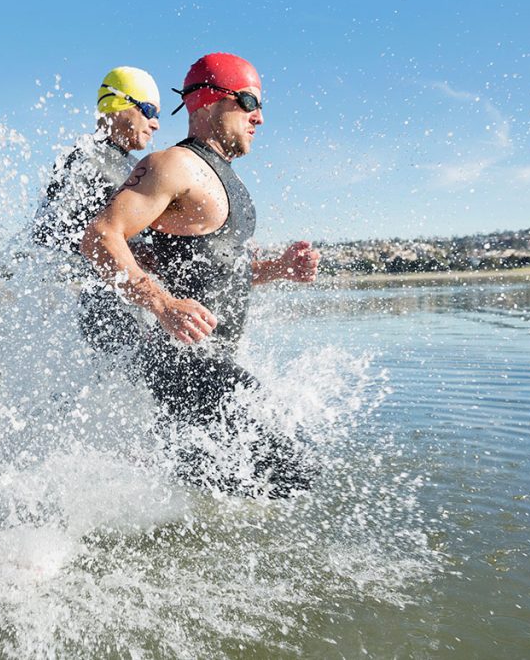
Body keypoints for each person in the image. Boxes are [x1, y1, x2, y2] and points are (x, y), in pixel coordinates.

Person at [81, 53, 322, 498]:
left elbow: (215, 271)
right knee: (297, 471)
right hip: (185, 369)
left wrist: (278, 269)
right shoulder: (173, 165)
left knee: (225, 494)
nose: (260, 117)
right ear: (210, 101)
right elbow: (100, 236)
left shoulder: (222, 178)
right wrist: (162, 303)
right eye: (249, 102)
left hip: (212, 367)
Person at [32, 66, 160, 354]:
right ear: (120, 104)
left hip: (132, 304)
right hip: (100, 310)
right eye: (149, 110)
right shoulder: (86, 158)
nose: (155, 124)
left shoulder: (131, 165)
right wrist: (122, 249)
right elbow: (46, 235)